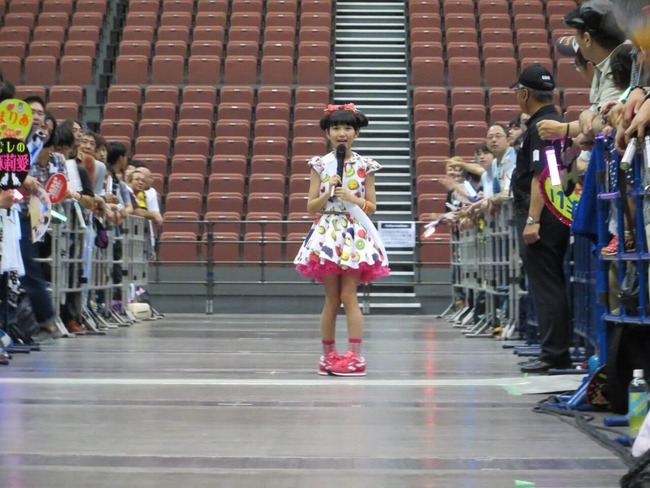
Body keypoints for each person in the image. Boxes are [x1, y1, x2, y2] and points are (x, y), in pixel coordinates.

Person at [293, 103, 390, 377]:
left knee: (349, 295)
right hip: (328, 233)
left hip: (353, 233)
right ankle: (328, 355)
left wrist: (352, 198)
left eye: (348, 127)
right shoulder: (320, 165)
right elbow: (311, 207)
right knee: (332, 299)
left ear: (356, 133)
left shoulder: (365, 166)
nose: (342, 133)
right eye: (336, 128)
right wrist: (328, 193)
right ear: (328, 133)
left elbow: (372, 206)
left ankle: (355, 356)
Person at [510, 65, 573, 374]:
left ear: (524, 94)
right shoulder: (553, 122)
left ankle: (554, 354)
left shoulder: (541, 126)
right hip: (554, 212)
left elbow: (543, 175)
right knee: (550, 283)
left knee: (546, 285)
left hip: (542, 215)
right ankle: (554, 350)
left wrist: (533, 218)